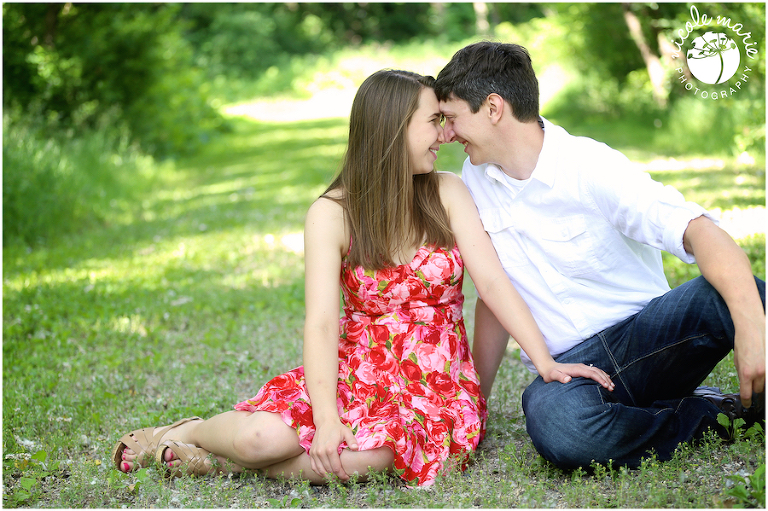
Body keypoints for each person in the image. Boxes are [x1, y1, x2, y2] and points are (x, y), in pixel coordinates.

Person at [112, 69, 613, 487]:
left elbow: (495, 285)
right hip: (356, 375)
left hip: (434, 388)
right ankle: (194, 432)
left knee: (374, 460)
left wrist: (544, 361)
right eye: (433, 122)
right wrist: (327, 418)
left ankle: (222, 466)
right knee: (260, 439)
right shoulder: (331, 214)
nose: (446, 134)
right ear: (392, 129)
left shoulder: (447, 193)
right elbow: (322, 325)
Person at [433, 41, 766, 471]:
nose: (446, 134)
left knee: (738, 295)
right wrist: (474, 401)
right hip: (573, 371)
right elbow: (495, 294)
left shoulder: (589, 165)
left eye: (453, 118)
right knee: (556, 422)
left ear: (493, 108)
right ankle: (709, 417)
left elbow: (700, 230)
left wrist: (753, 328)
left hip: (650, 340)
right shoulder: (473, 180)